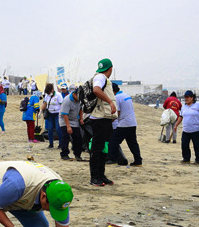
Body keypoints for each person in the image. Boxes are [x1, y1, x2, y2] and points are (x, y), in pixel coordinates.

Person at [87, 59, 117, 187]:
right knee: (97, 148)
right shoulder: (100, 77)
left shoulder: (102, 78)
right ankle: (95, 177)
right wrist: (110, 102)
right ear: (110, 69)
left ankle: (101, 174)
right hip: (99, 119)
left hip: (104, 118)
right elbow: (96, 90)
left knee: (103, 148)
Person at [111, 83, 142, 166]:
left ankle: (112, 159)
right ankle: (138, 160)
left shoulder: (116, 98)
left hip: (124, 123)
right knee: (133, 143)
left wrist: (110, 121)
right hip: (132, 123)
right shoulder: (126, 95)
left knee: (113, 141)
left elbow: (117, 113)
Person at [179, 90, 199, 164]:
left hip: (196, 129)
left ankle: (198, 160)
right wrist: (176, 125)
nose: (186, 99)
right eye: (185, 97)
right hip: (186, 130)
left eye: (188, 97)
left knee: (197, 145)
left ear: (192, 97)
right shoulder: (183, 107)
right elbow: (181, 116)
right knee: (184, 145)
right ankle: (186, 158)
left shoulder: (198, 105)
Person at [60, 87, 86, 161]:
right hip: (64, 119)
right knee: (66, 137)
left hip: (74, 119)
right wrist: (68, 127)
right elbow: (65, 114)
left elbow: (81, 109)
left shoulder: (80, 99)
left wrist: (81, 118)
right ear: (74, 94)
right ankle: (64, 154)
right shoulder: (67, 100)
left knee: (78, 137)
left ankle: (77, 154)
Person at [42, 83, 63, 149]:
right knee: (50, 129)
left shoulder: (58, 95)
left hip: (57, 114)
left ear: (52, 90)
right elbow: (45, 103)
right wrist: (40, 111)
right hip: (50, 114)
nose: (49, 93)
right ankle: (51, 144)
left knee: (58, 129)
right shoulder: (47, 95)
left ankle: (61, 144)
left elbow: (62, 104)